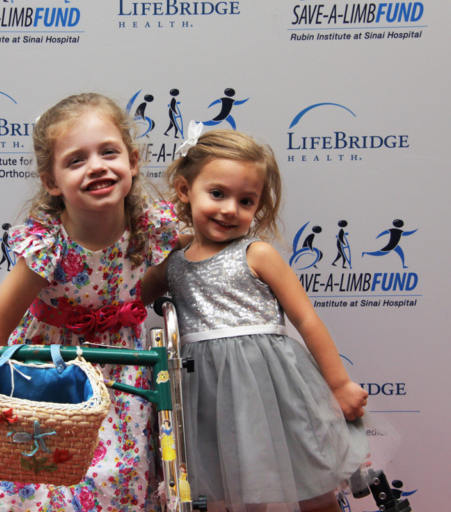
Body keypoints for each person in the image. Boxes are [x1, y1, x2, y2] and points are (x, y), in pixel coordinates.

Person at [0, 92, 178, 512]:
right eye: (76, 160)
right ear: (51, 181)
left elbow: (172, 268)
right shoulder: (48, 246)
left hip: (119, 375)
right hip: (46, 367)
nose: (96, 166)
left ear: (132, 161)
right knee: (26, 469)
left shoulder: (150, 227)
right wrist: (2, 396)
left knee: (109, 474)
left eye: (108, 152)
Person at [143, 125, 369, 512]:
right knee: (235, 489)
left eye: (246, 201)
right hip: (206, 395)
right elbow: (133, 296)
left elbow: (307, 321)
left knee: (312, 487)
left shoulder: (258, 253)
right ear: (184, 190)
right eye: (217, 194)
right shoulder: (173, 264)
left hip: (271, 389)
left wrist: (340, 384)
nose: (230, 209)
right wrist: (166, 243)